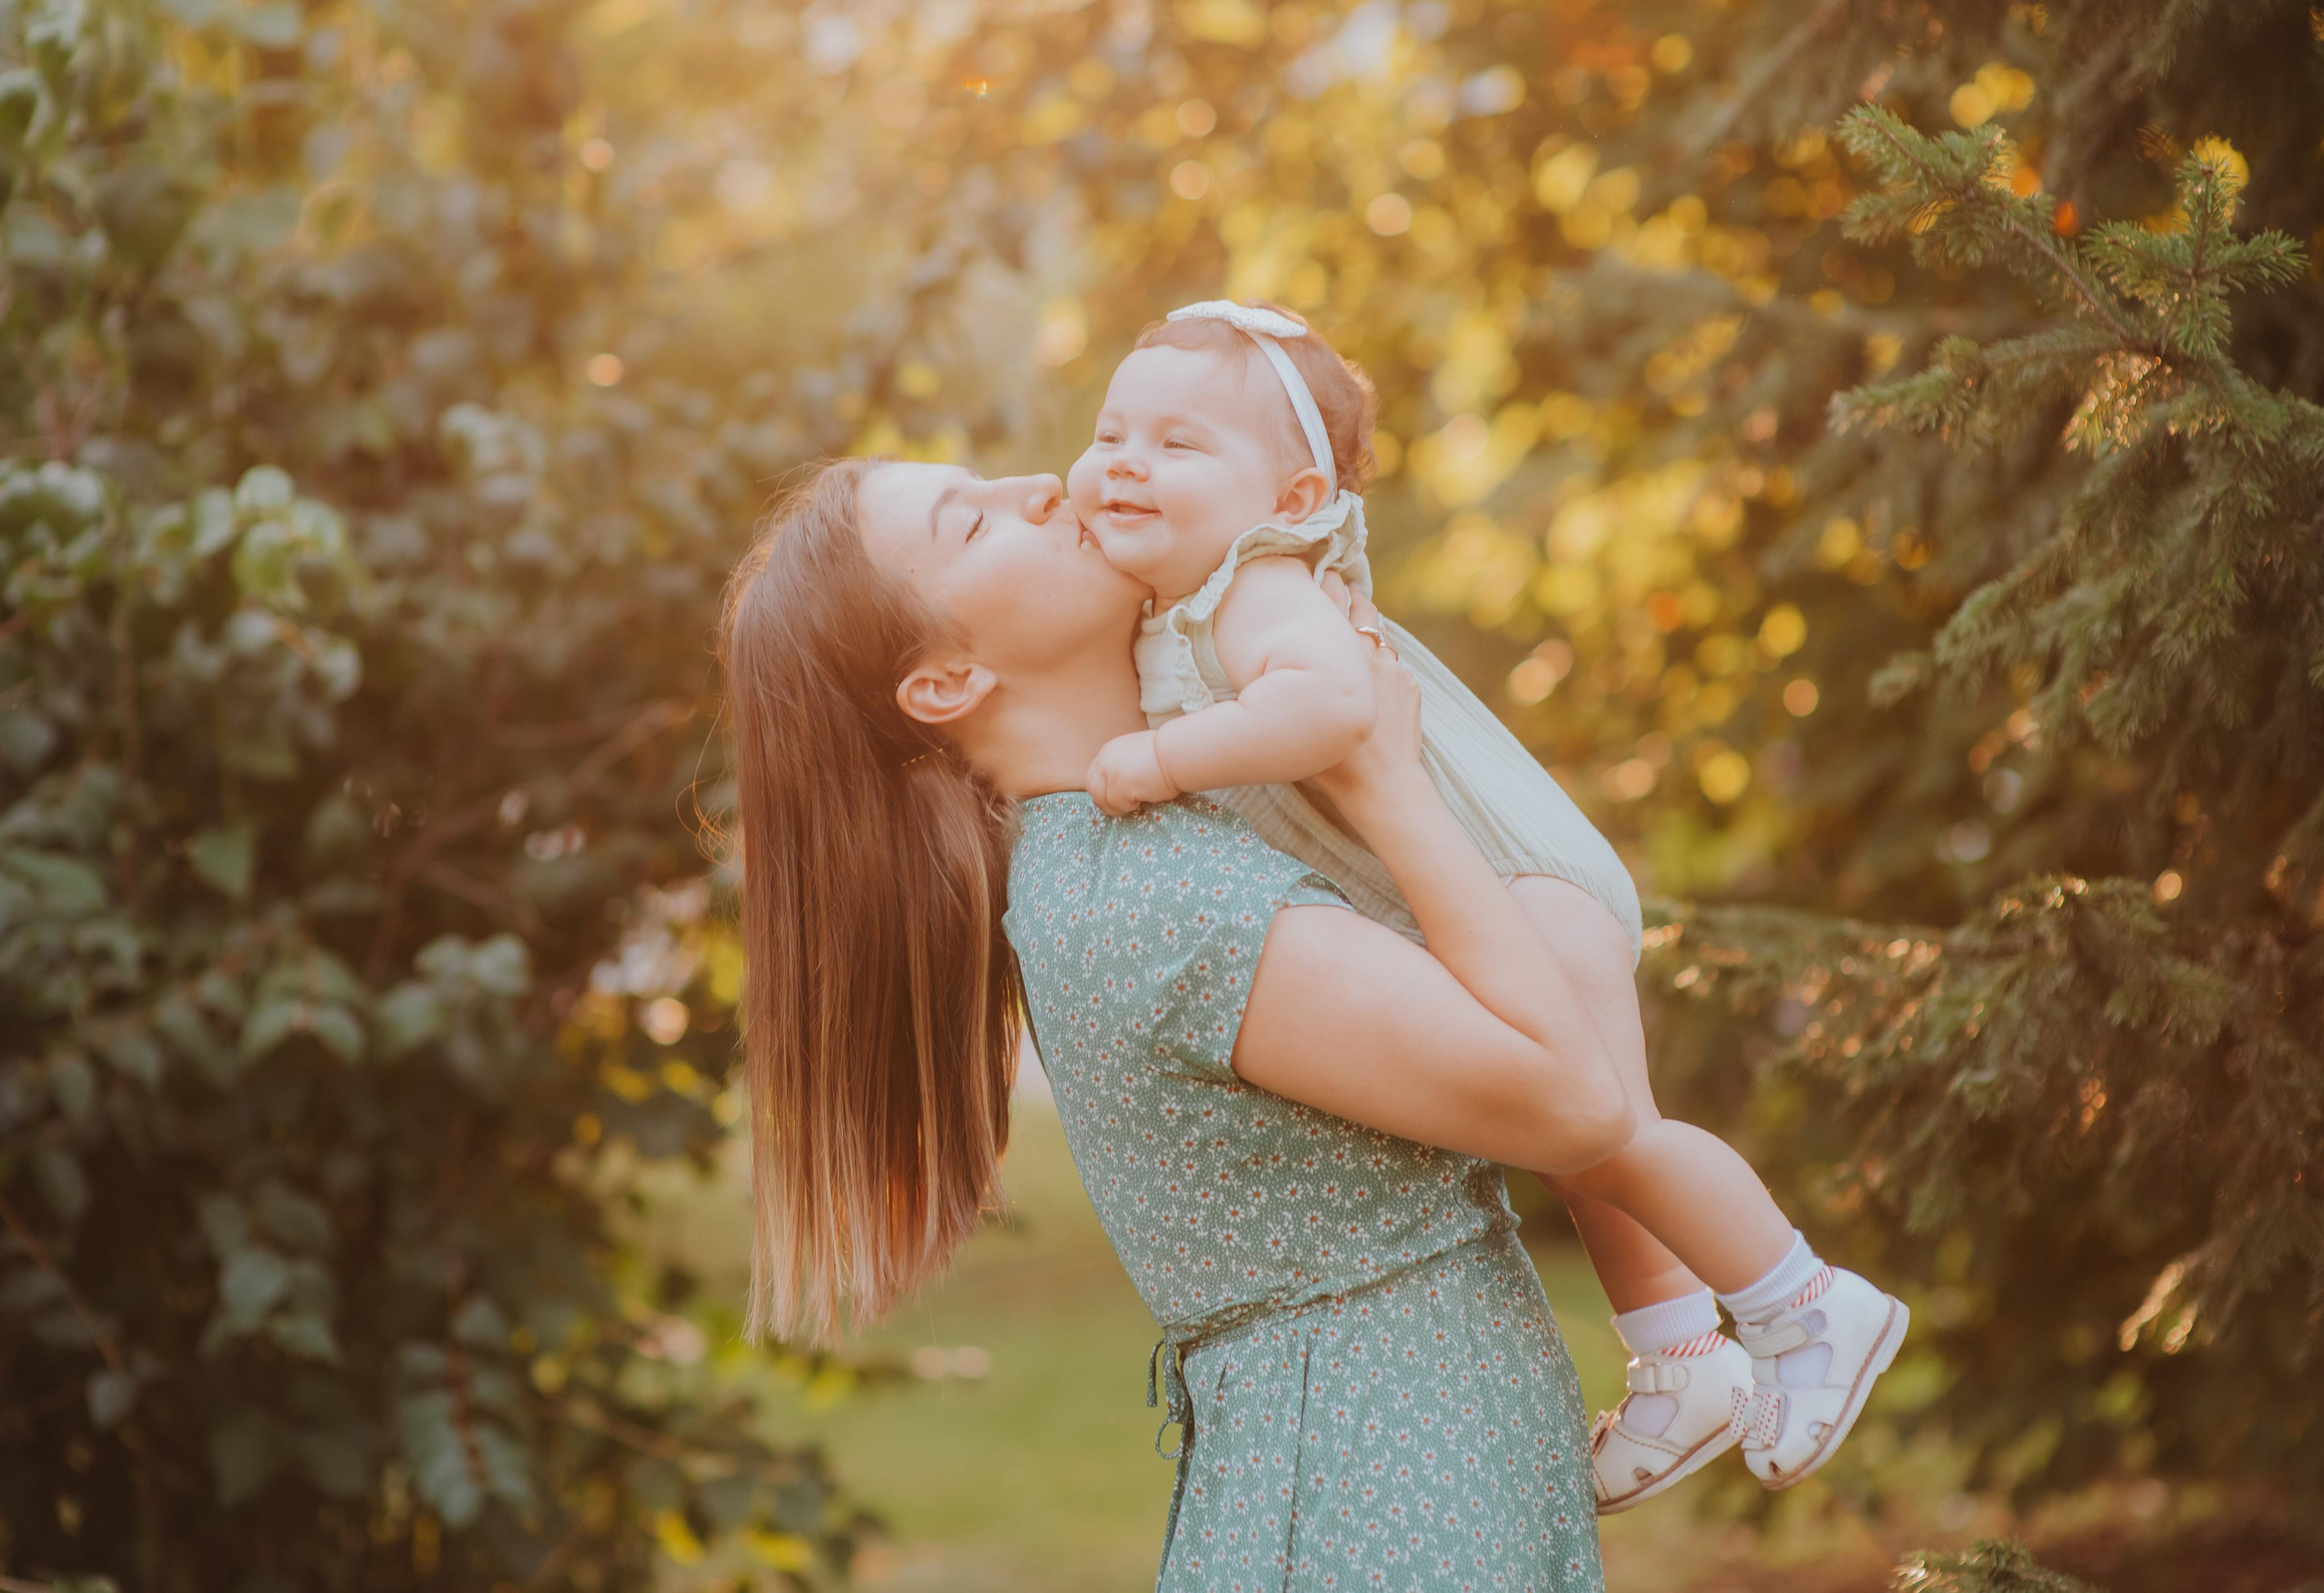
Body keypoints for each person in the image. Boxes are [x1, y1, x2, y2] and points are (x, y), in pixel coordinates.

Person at [725, 456, 1631, 1587]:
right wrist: (1384, 783)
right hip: (1387, 1505)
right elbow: (1577, 1105)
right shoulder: (1154, 903)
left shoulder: (1131, 859)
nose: (1040, 483)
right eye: (973, 521)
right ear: (948, 681)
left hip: (1388, 1479)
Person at [1064, 299, 1908, 1508]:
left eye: (1178, 445)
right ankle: (1682, 1364)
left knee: (1611, 1136)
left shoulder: (1259, 591)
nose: (1124, 464)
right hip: (1497, 890)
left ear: (1295, 500)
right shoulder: (1184, 597)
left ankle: (1807, 1304)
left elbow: (1331, 712)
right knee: (1581, 1148)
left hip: (1517, 881)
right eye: (1109, 434)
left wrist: (1159, 764)